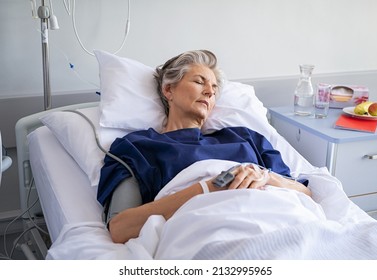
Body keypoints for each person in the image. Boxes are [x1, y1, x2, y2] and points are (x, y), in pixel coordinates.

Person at [98, 50, 311, 244]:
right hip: (210, 232)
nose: (210, 92)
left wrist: (265, 176)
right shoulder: (138, 147)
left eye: (214, 88)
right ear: (169, 90)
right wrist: (208, 187)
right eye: (200, 82)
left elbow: (304, 194)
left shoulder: (245, 138)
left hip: (280, 222)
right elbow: (120, 228)